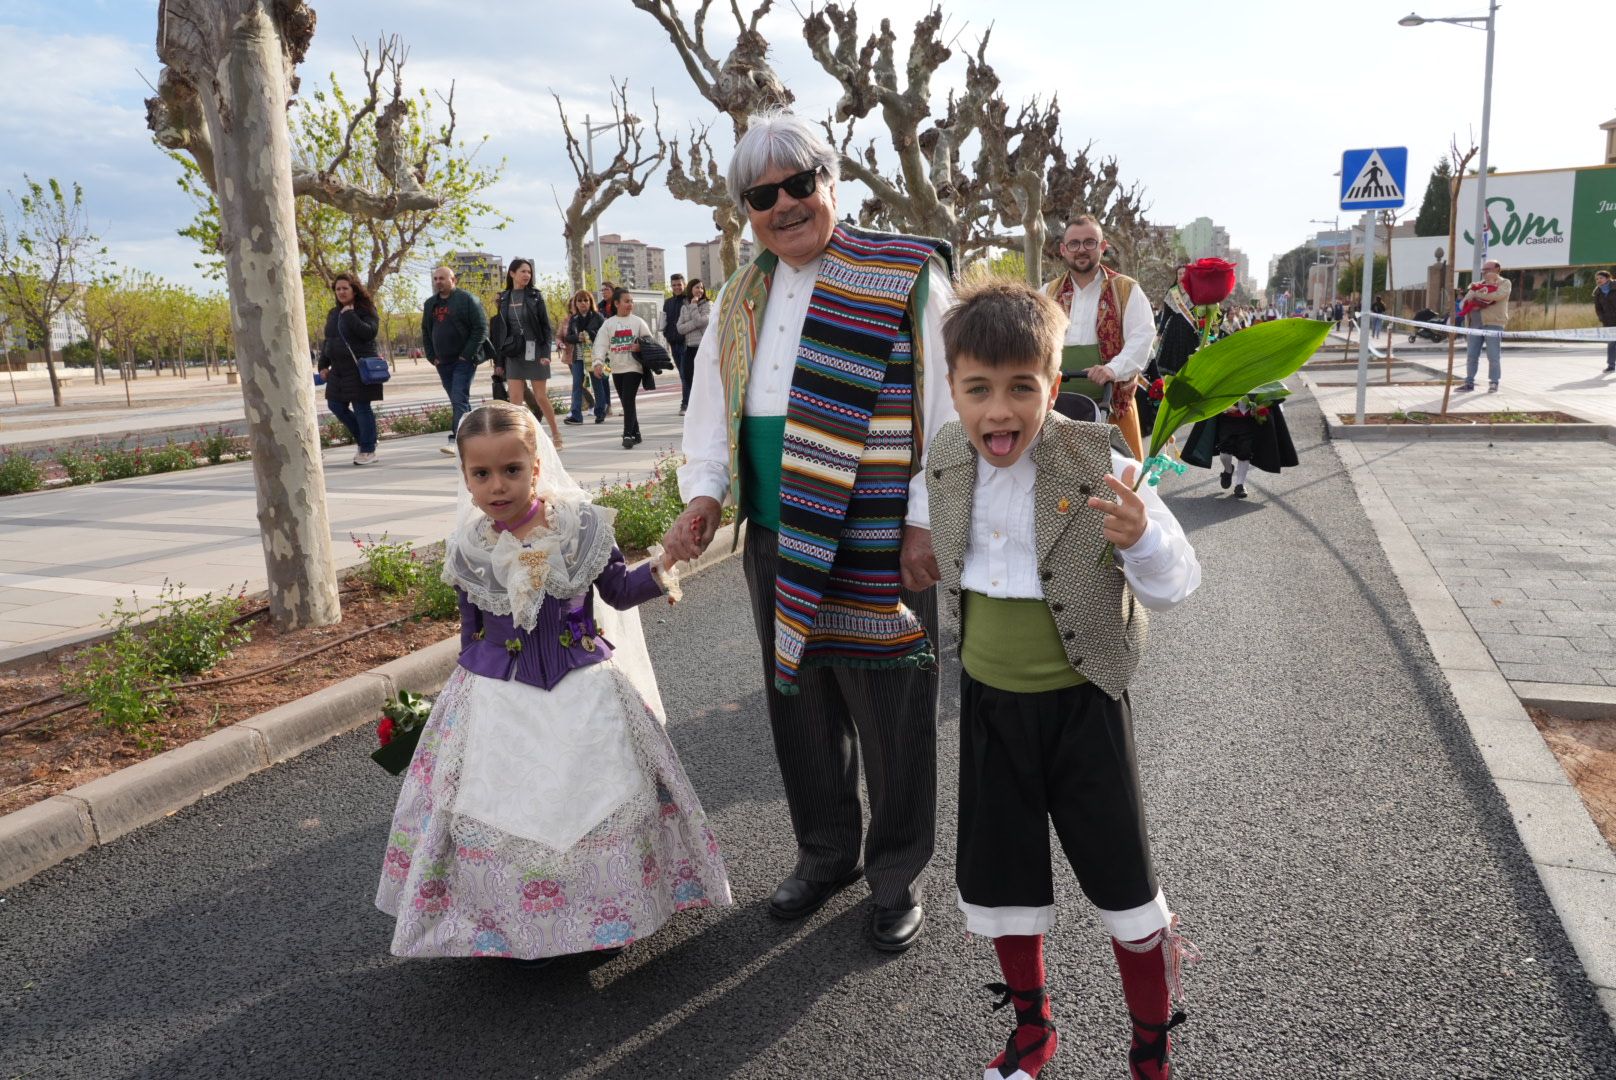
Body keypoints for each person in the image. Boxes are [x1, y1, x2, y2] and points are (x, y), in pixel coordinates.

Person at [662, 109, 956, 953]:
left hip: (876, 533)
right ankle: (825, 853)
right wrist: (705, 496)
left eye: (800, 184)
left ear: (832, 184)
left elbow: (945, 408)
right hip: (777, 534)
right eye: (764, 194)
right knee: (800, 701)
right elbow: (710, 411)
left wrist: (924, 521)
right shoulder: (739, 291)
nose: (785, 204)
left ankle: (895, 873)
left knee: (894, 708)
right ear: (746, 208)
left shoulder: (906, 275)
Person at [926, 280, 1200, 1080]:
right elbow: (923, 544)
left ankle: (1151, 1043)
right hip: (988, 711)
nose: (999, 411)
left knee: (1124, 887)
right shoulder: (942, 463)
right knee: (1004, 881)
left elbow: (1177, 583)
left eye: (1022, 388)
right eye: (978, 389)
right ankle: (1032, 1032)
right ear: (953, 391)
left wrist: (1143, 536)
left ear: (1054, 384)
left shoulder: (1104, 464)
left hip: (1086, 708)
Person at [375, 400, 731, 960]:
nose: (498, 485)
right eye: (482, 473)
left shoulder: (582, 526)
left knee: (595, 797)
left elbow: (616, 591)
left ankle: (605, 916)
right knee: (502, 806)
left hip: (584, 687)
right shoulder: (468, 548)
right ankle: (508, 923)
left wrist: (665, 562)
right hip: (497, 697)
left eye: (511, 470)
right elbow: (471, 633)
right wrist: (450, 715)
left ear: (536, 467)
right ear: (465, 479)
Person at [1043, 215, 1154, 460]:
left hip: (1112, 405)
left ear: (1103, 247)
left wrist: (1112, 370)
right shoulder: (1047, 292)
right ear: (1063, 250)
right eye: (1074, 244)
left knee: (1123, 479)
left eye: (1089, 242)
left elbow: (1142, 336)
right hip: (1057, 408)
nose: (1081, 249)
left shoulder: (1126, 289)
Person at [490, 258, 562, 448]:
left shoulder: (536, 297)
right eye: (523, 271)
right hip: (514, 352)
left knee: (540, 396)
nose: (527, 275)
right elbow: (500, 331)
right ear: (512, 274)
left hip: (535, 350)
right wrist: (499, 361)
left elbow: (546, 328)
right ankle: (519, 440)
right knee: (515, 400)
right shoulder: (504, 298)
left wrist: (546, 352)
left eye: (529, 272)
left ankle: (556, 433)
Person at [1181, 387, 1299, 500]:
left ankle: (1240, 485)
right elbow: (1212, 394)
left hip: (1248, 422)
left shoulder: (1259, 373)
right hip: (1227, 420)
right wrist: (1225, 406)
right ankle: (1228, 470)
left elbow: (1277, 394)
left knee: (1245, 452)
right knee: (1224, 453)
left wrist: (1259, 407)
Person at [317, 272, 383, 466]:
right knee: (335, 405)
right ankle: (366, 439)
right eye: (338, 289)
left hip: (359, 367)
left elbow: (369, 332)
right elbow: (328, 342)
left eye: (345, 288)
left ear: (354, 289)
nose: (341, 292)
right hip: (338, 369)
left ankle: (368, 450)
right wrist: (323, 365)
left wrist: (351, 314)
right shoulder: (333, 313)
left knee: (361, 407)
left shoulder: (366, 309)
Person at [422, 265, 490, 455]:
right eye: (435, 279)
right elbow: (426, 331)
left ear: (453, 280)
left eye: (442, 278)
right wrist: (431, 356)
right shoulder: (430, 304)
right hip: (442, 362)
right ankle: (475, 435)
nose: (438, 282)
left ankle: (457, 440)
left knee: (459, 398)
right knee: (458, 401)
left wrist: (466, 355)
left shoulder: (467, 299)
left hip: (463, 361)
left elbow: (481, 328)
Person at [593, 289, 654, 449]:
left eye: (631, 301)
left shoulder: (638, 322)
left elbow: (650, 340)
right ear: (617, 303)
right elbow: (600, 344)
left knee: (628, 400)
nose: (630, 304)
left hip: (634, 367)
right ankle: (637, 433)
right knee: (626, 402)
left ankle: (628, 434)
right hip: (617, 368)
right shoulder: (608, 324)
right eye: (626, 301)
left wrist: (641, 345)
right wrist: (598, 362)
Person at [1459, 259, 1512, 393]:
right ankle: (1469, 382)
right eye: (1483, 270)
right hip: (1475, 325)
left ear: (1497, 270)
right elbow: (1464, 301)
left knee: (1493, 356)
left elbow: (1496, 296)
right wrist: (1472, 301)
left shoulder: (1504, 283)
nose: (1484, 272)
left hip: (1493, 323)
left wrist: (1477, 295)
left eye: (1487, 270)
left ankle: (1494, 383)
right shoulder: (1477, 284)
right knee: (1471, 355)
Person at [561, 290, 608, 426]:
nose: (583, 303)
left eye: (586, 300)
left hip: (594, 355)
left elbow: (603, 335)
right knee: (577, 384)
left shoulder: (598, 317)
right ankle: (576, 415)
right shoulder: (574, 319)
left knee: (596, 382)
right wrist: (577, 337)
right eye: (580, 301)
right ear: (575, 303)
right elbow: (568, 337)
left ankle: (600, 412)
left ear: (590, 302)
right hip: (579, 355)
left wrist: (589, 334)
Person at [674, 278, 710, 415]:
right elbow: (680, 328)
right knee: (688, 378)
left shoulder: (708, 304)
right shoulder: (684, 306)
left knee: (703, 379)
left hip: (702, 347)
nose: (700, 290)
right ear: (690, 289)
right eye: (697, 287)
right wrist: (695, 324)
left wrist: (694, 305)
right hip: (688, 347)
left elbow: (703, 321)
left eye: (701, 288)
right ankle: (695, 406)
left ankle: (704, 407)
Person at [662, 273, 691, 413]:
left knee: (686, 374)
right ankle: (690, 401)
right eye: (674, 285)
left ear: (684, 284)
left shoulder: (689, 300)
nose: (677, 287)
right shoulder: (668, 303)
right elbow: (665, 321)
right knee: (682, 374)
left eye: (679, 284)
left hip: (687, 343)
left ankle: (685, 404)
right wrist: (667, 335)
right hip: (674, 343)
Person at [1594, 269, 1615, 374]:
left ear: (1607, 278)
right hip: (1609, 322)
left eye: (1601, 278)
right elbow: (1598, 309)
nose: (1598, 280)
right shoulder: (1597, 292)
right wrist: (1602, 318)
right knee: (1611, 343)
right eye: (1597, 279)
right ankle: (1611, 365)